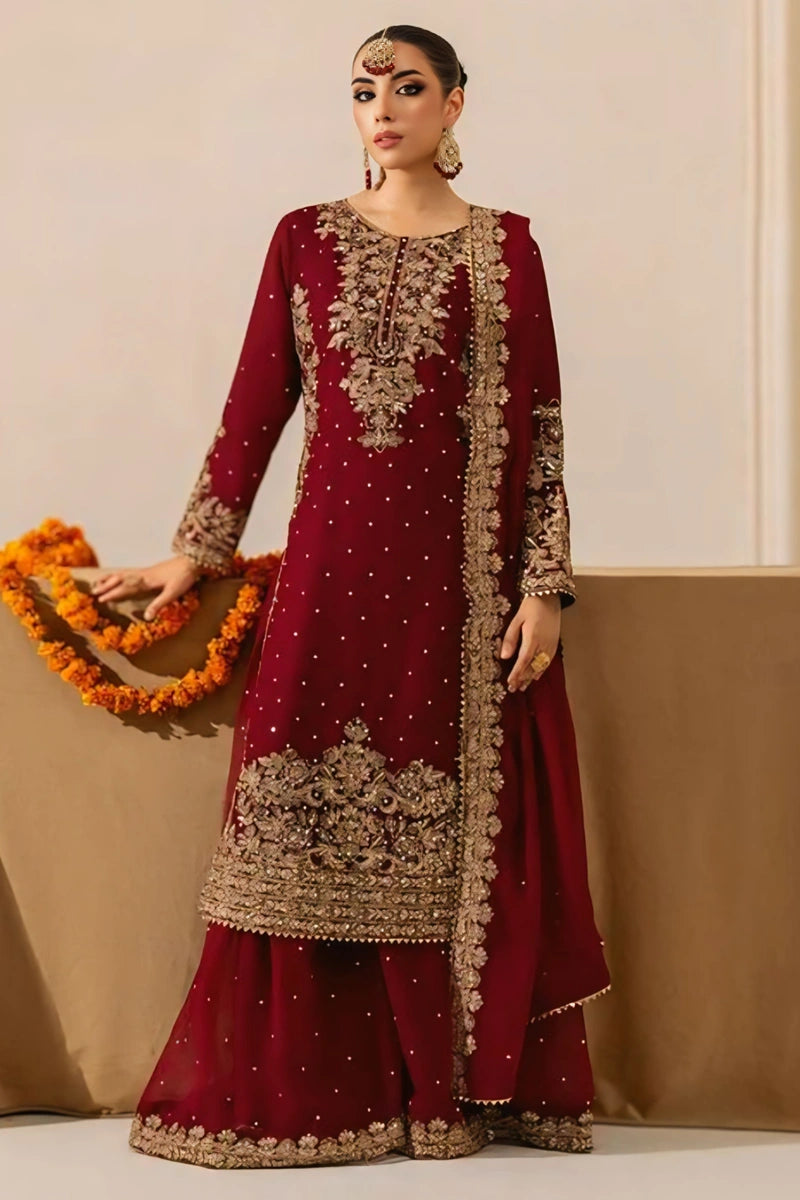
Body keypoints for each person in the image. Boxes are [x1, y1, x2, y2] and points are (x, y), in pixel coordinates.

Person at [93, 23, 611, 1168]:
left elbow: (539, 430)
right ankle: (315, 1086)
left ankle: (439, 1091)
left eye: (408, 88)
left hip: (452, 592)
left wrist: (543, 588)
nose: (382, 109)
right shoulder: (304, 239)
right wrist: (194, 551)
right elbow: (254, 406)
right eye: (362, 91)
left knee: (434, 831)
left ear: (455, 103)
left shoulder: (504, 249)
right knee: (296, 813)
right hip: (327, 578)